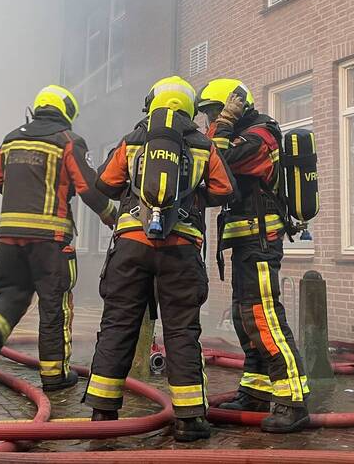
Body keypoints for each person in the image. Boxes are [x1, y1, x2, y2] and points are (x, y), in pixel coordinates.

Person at [83, 76, 235, 442]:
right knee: (182, 329)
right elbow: (225, 188)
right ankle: (189, 419)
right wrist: (191, 197)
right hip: (181, 248)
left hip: (132, 245)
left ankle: (104, 415)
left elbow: (102, 183)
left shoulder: (135, 139)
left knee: (119, 323)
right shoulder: (201, 144)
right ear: (188, 108)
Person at [0, 85, 116, 392]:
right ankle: (54, 376)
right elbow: (88, 188)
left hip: (9, 237)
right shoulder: (67, 141)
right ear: (67, 114)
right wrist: (113, 216)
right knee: (54, 305)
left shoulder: (12, 138)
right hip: (51, 239)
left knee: (10, 294)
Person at [197, 79, 311, 433]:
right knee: (245, 317)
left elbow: (216, 160)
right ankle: (256, 391)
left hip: (261, 242)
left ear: (231, 108)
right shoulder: (241, 135)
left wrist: (224, 124)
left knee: (265, 317)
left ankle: (293, 399)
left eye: (213, 113)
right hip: (246, 243)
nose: (209, 122)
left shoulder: (259, 136)